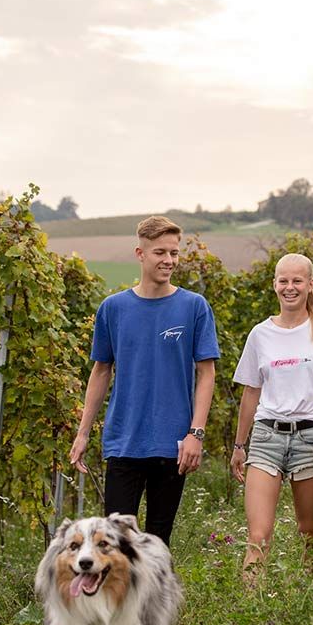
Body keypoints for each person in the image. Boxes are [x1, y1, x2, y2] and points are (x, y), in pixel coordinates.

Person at [69, 215, 220, 548]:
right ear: (140, 253)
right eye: (160, 253)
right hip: (124, 442)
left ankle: (156, 603)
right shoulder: (113, 309)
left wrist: (195, 433)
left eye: (174, 253)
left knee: (157, 544)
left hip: (174, 444)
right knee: (115, 545)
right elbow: (100, 371)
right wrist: (82, 434)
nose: (169, 261)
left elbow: (206, 373)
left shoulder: (194, 307)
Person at [230, 254, 313, 576]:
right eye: (283, 281)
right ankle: (249, 616)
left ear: (311, 285)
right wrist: (239, 445)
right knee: (258, 536)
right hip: (266, 436)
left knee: (308, 530)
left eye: (297, 280)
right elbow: (251, 392)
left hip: (309, 436)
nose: (290, 287)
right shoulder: (260, 334)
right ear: (274, 285)